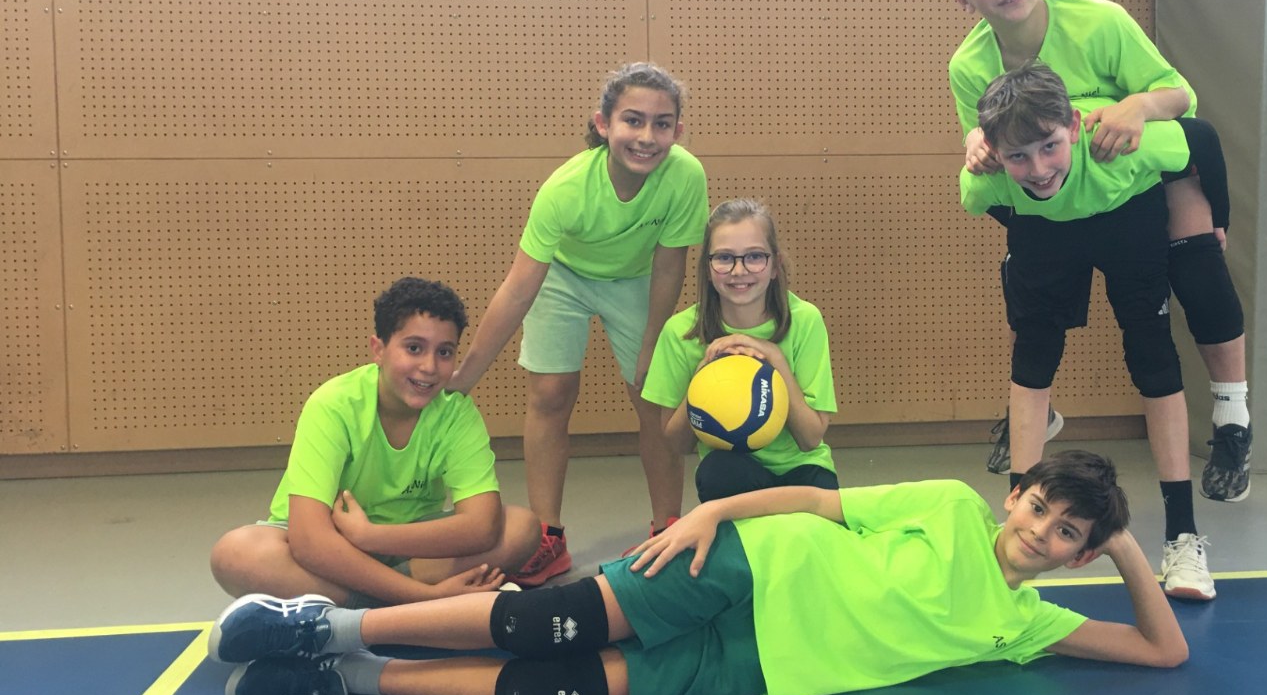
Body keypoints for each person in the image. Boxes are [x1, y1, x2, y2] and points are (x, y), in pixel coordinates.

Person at [207, 450, 1188, 695]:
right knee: (548, 619)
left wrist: (1126, 548)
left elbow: (1161, 650)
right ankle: (330, 624)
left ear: (1077, 555)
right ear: (1015, 494)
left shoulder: (1024, 622)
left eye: (1068, 533)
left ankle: (350, 680)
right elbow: (817, 499)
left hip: (759, 667)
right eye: (1040, 507)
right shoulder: (945, 503)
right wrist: (712, 513)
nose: (1042, 530)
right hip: (747, 564)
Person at [945, 0, 1251, 503]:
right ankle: (1035, 410)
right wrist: (976, 148)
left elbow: (1183, 103)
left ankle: (1233, 416)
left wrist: (1138, 106)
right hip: (1064, 189)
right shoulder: (968, 66)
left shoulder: (1099, 21)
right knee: (1031, 294)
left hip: (1139, 168)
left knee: (1198, 269)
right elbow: (994, 160)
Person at [962, 62, 1229, 600]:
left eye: (1050, 147)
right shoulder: (982, 180)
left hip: (1129, 219)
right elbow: (988, 203)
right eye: (1018, 156)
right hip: (1045, 234)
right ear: (995, 152)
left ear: (1075, 127)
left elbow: (1201, 137)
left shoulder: (1125, 146)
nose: (1039, 167)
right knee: (1033, 360)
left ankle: (1182, 536)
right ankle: (1014, 528)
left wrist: (1218, 219)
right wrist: (1040, 225)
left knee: (1153, 359)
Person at [446, 63, 709, 587]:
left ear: (677, 131)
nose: (646, 136)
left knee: (654, 398)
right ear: (603, 124)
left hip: (636, 279)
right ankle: (548, 537)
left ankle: (667, 528)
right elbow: (519, 288)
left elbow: (669, 266)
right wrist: (465, 376)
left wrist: (651, 346)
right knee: (550, 395)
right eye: (632, 120)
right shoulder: (566, 189)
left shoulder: (685, 176)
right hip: (562, 277)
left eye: (661, 124)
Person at [209, 278, 541, 607]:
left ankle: (362, 604)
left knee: (521, 528)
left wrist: (371, 536)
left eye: (444, 352)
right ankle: (402, 603)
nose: (429, 367)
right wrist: (427, 596)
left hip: (407, 545)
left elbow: (482, 527)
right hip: (331, 544)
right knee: (236, 554)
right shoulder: (334, 404)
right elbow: (309, 540)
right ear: (378, 350)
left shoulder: (456, 412)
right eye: (414, 348)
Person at [642, 198, 838, 503]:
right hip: (733, 470)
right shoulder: (680, 332)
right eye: (724, 258)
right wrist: (702, 377)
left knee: (815, 506)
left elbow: (810, 439)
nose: (739, 270)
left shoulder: (805, 320)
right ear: (707, 268)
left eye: (755, 256)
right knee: (716, 472)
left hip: (801, 469)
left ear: (775, 266)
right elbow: (677, 444)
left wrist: (774, 358)